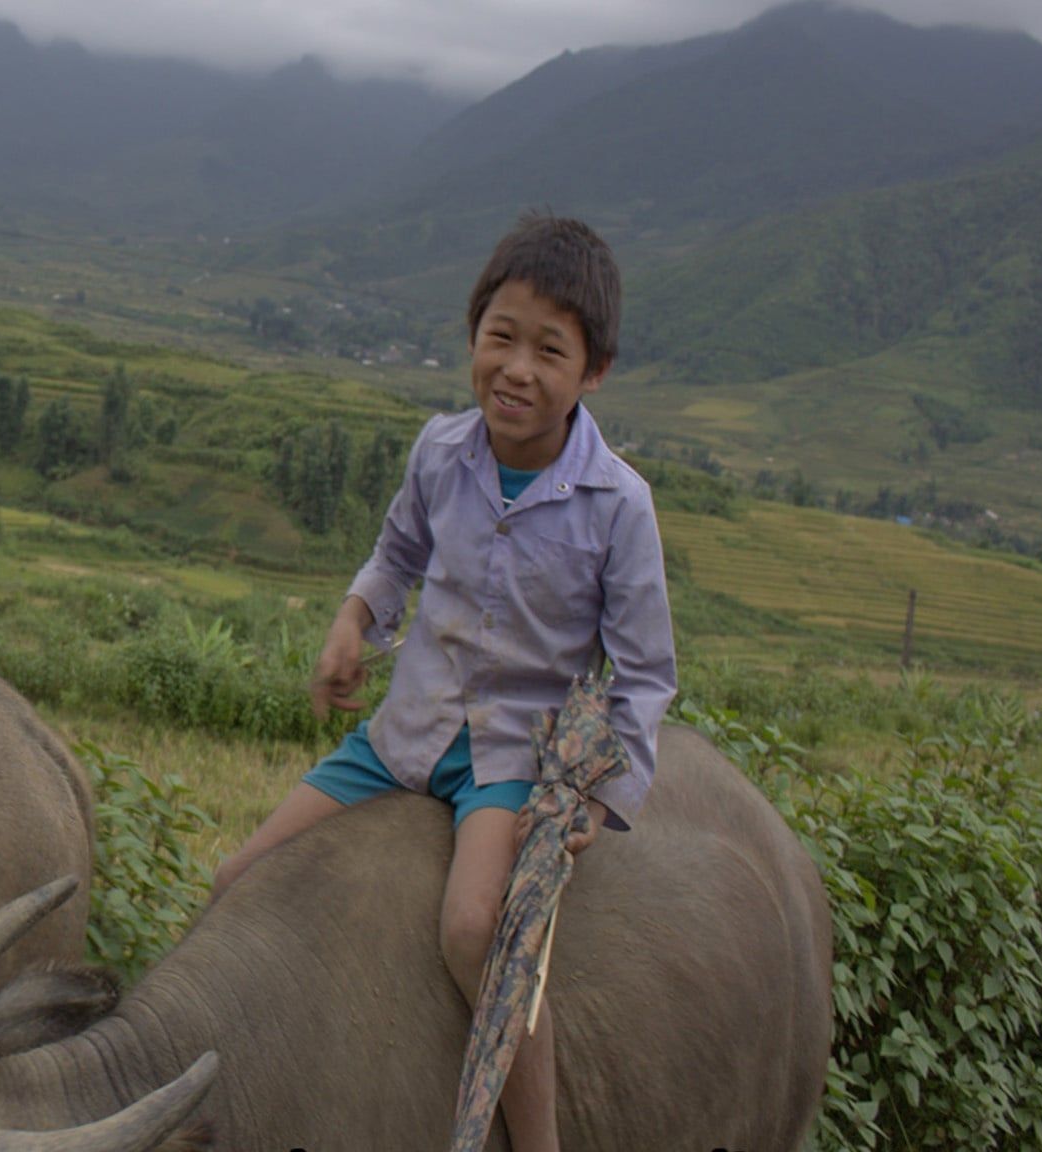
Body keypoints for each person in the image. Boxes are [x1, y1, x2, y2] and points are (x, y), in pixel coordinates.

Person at [211, 211, 677, 1152]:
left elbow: (644, 670)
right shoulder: (440, 452)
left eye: (550, 350)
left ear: (594, 373)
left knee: (476, 932)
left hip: (510, 755)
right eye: (500, 337)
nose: (517, 368)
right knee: (236, 880)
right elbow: (395, 558)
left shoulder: (618, 504)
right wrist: (353, 623)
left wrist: (603, 794)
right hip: (403, 733)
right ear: (474, 336)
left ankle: (536, 1139)